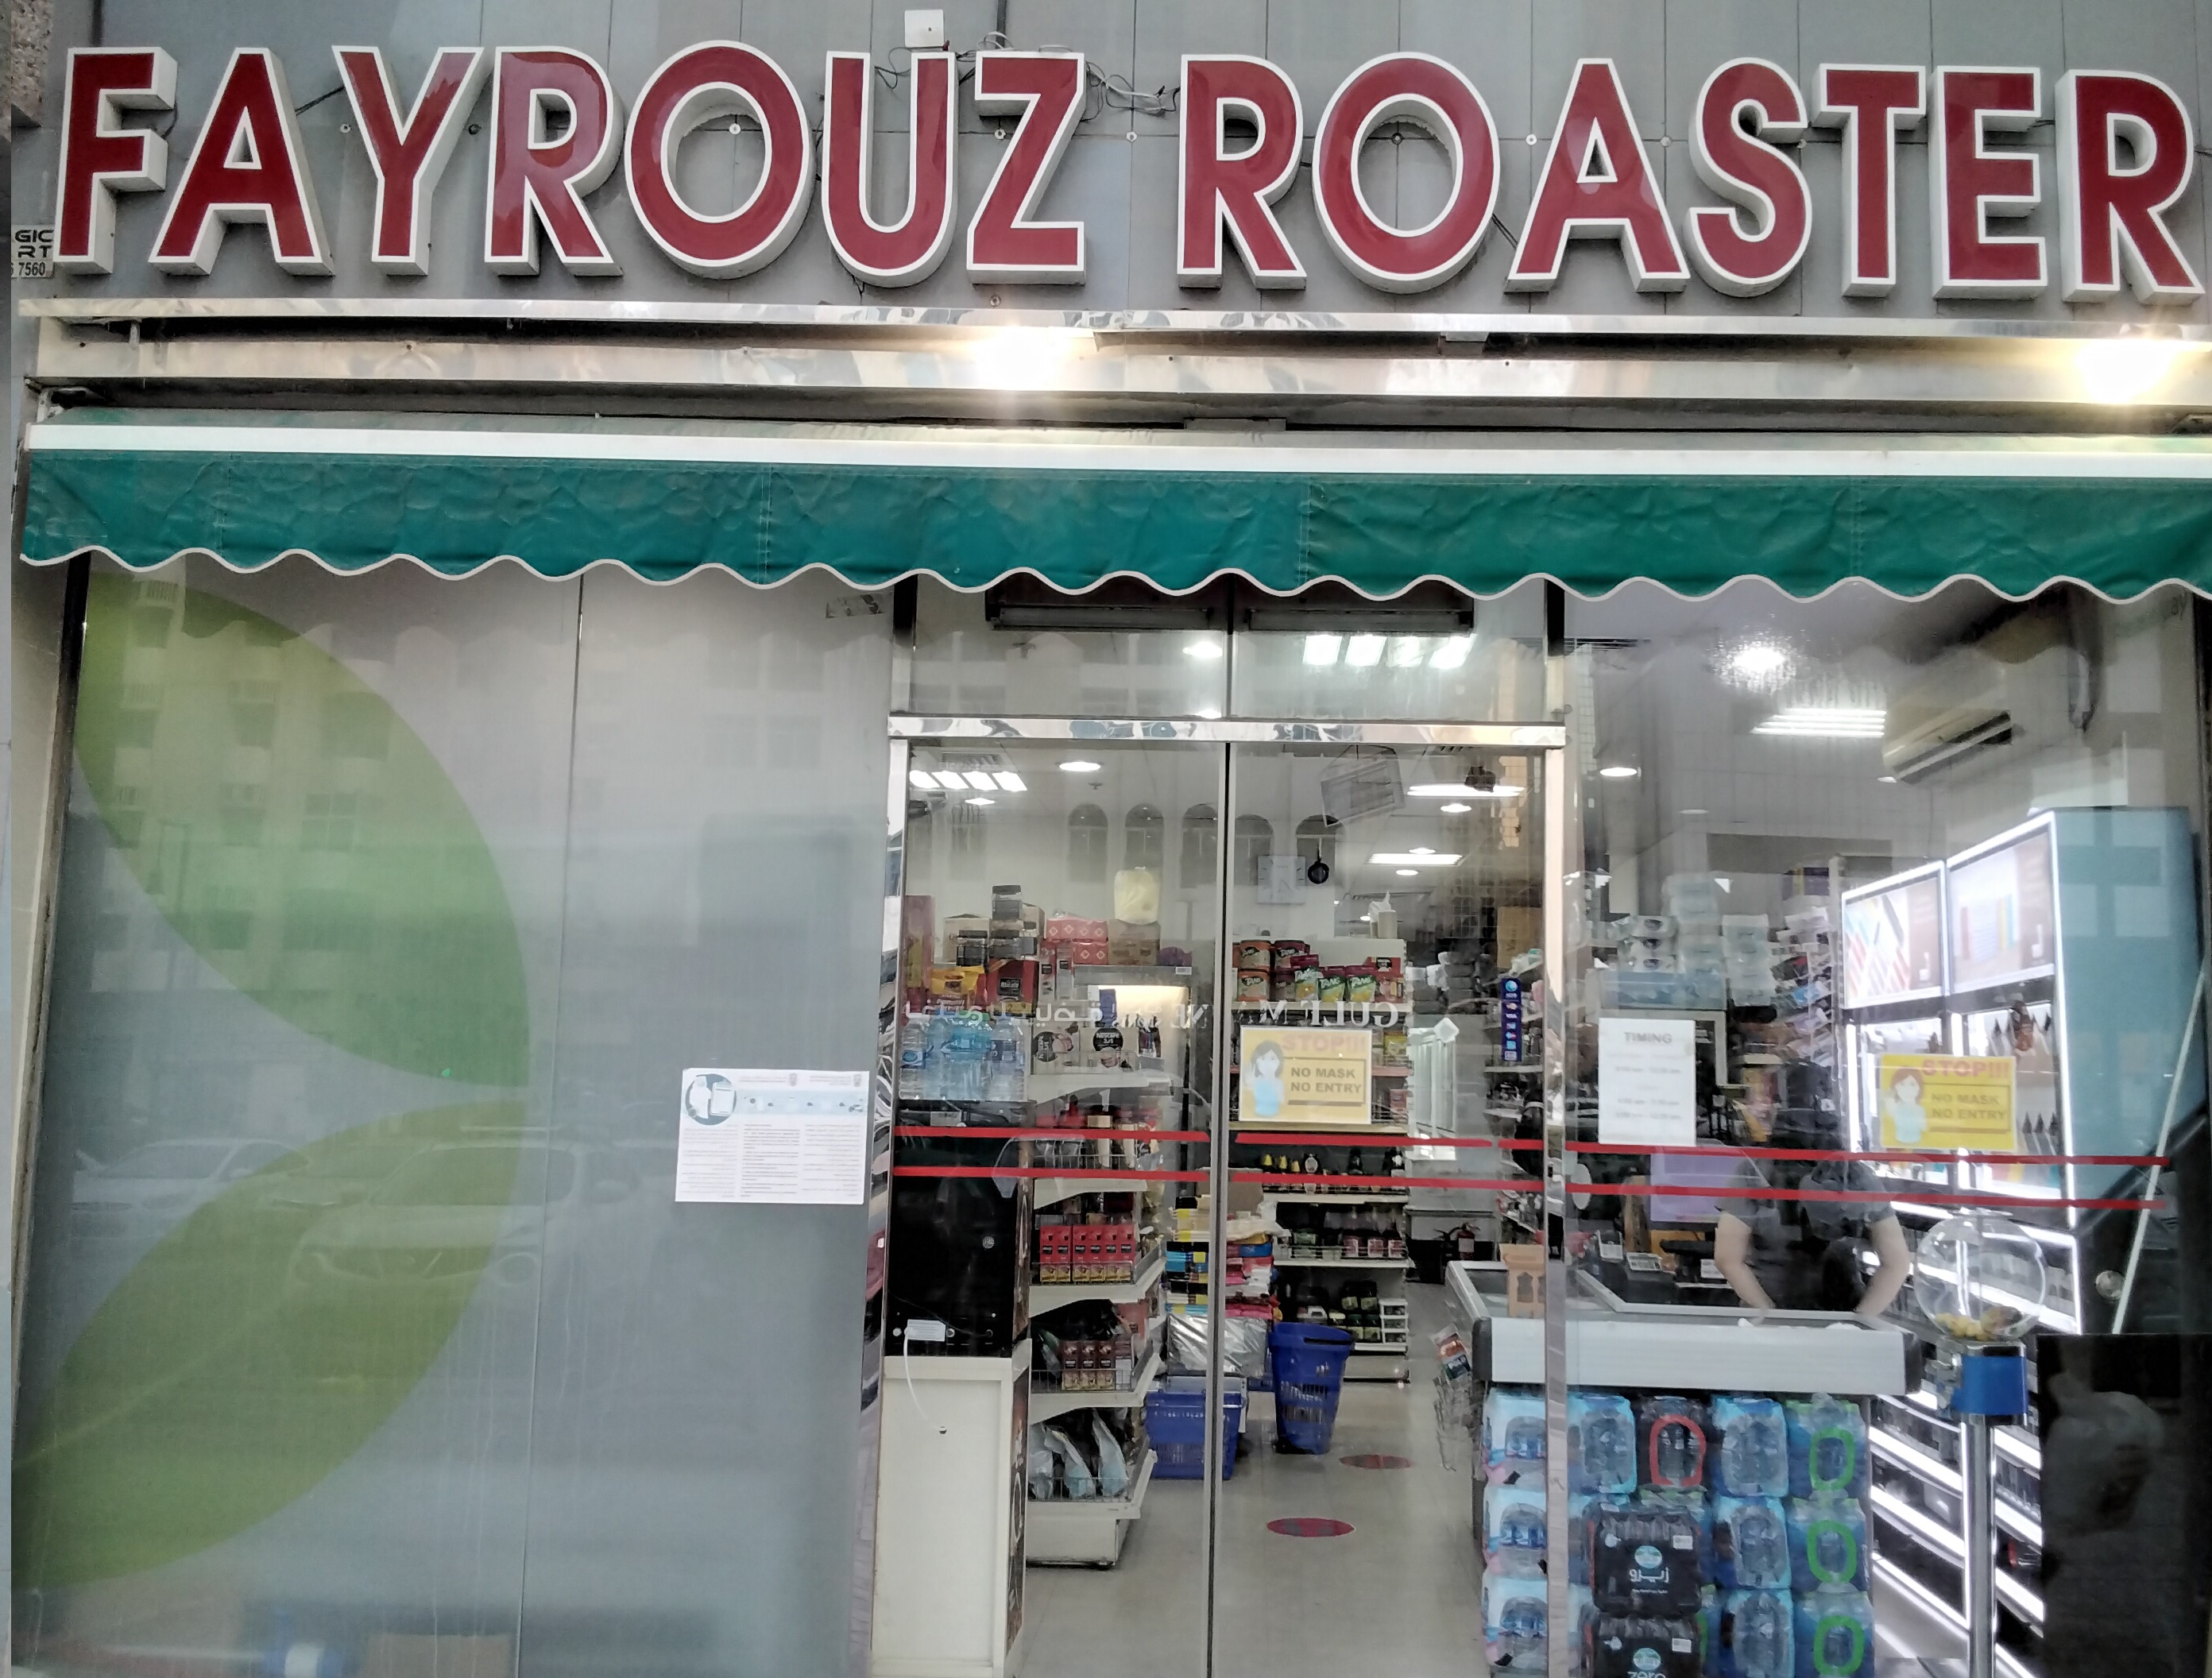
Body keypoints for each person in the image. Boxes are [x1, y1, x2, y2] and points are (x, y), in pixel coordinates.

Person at [1714, 1137, 1911, 1317]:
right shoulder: (1855, 1174)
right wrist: (1859, 1321)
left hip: (1776, 1307)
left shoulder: (1755, 1169)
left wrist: (1769, 1315)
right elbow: (1897, 1263)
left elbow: (1728, 1258)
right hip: (1840, 1310)